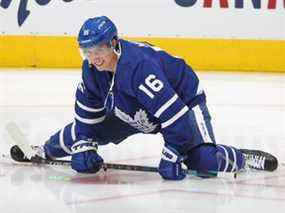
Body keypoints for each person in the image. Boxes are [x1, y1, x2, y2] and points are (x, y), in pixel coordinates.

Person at [14, 16, 278, 180]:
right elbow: (87, 118)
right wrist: (84, 144)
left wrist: (173, 153)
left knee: (203, 162)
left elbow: (176, 117)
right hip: (135, 105)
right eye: (87, 51)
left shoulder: (139, 67)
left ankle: (241, 158)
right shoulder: (92, 70)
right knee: (87, 133)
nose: (93, 58)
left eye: (98, 50)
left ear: (114, 44)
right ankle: (41, 150)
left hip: (183, 103)